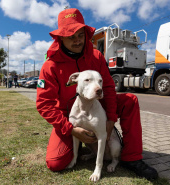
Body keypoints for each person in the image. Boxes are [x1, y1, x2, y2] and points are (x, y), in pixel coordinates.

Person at [36, 8, 158, 180]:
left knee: (130, 99)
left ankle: (132, 157)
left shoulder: (96, 56)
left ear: (86, 34)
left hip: (96, 107)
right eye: (70, 36)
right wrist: (69, 129)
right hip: (68, 115)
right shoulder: (50, 65)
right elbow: (44, 104)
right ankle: (79, 147)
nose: (77, 40)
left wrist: (110, 119)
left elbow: (107, 87)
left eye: (80, 34)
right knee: (55, 163)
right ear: (60, 37)